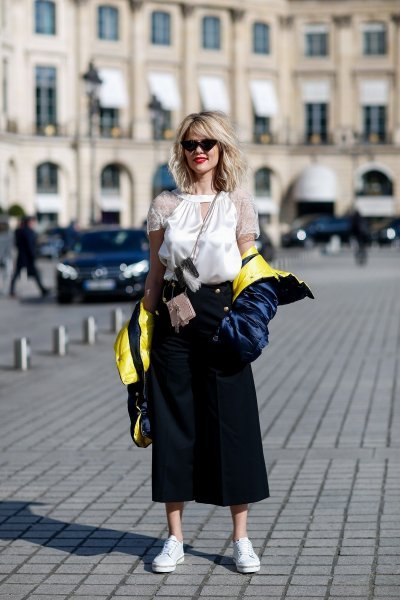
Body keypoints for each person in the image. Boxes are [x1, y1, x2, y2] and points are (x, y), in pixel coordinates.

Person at [120, 111, 311, 575]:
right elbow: (156, 271)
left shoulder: (238, 203)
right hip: (172, 324)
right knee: (174, 427)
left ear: (222, 148)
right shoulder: (164, 204)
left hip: (223, 322)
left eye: (207, 142)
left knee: (234, 427)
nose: (198, 150)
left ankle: (242, 539)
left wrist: (259, 314)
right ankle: (174, 539)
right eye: (189, 143)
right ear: (181, 152)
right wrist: (139, 333)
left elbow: (250, 266)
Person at [9, 216, 49, 297]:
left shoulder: (18, 231)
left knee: (17, 274)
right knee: (34, 273)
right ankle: (42, 289)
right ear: (29, 222)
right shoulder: (29, 232)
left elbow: (16, 244)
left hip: (21, 256)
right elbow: (30, 245)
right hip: (28, 257)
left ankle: (11, 290)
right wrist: (33, 255)